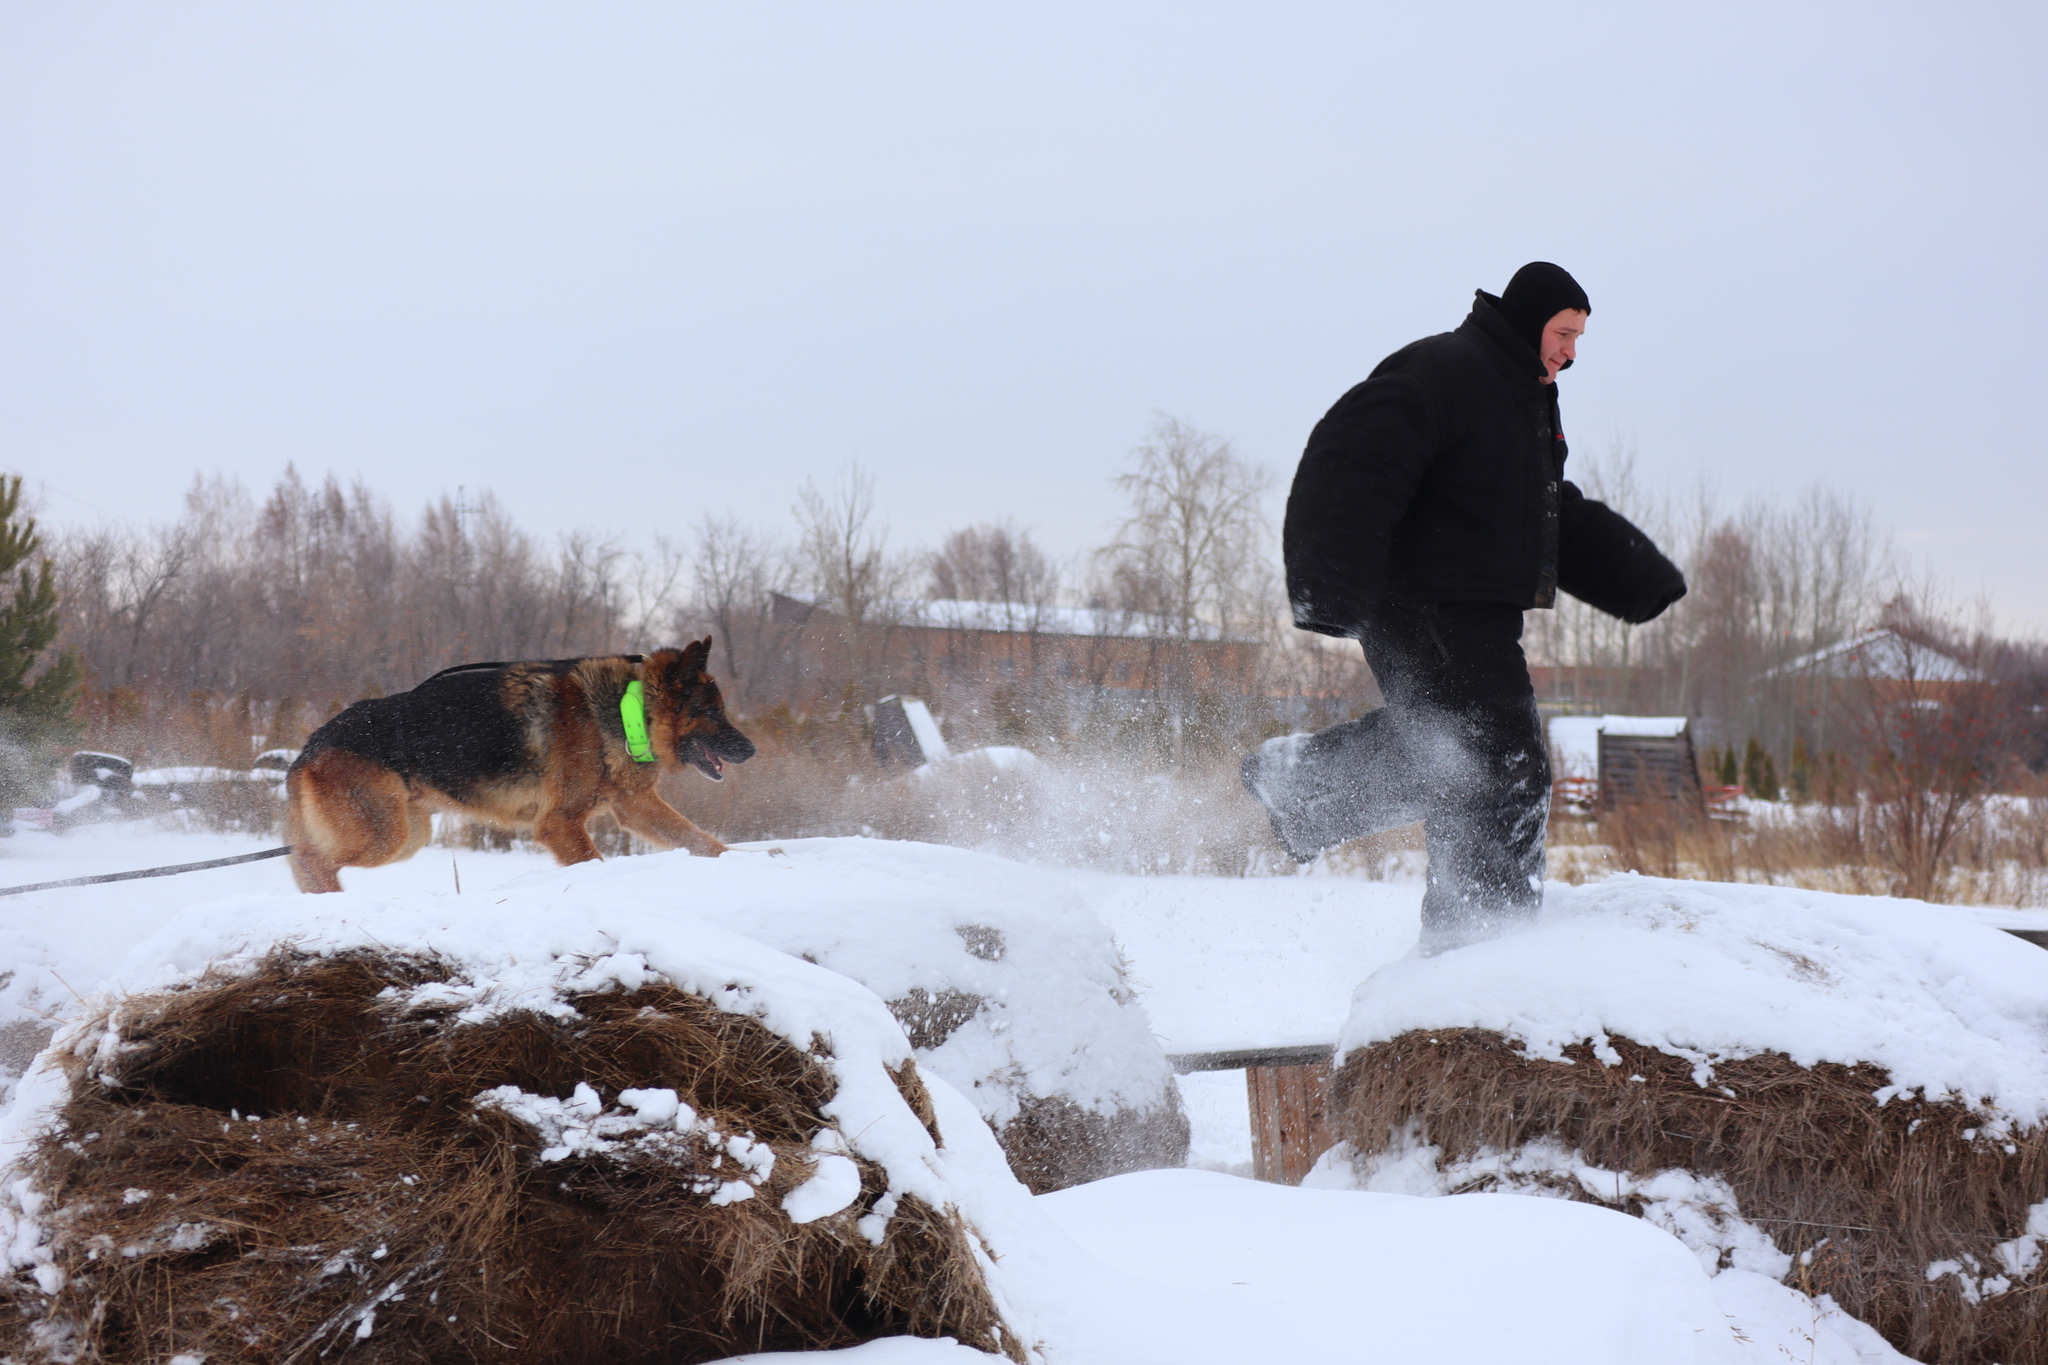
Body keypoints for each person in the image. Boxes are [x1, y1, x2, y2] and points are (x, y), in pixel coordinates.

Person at [1244, 262, 1686, 954]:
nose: (1571, 351)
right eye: (1564, 332)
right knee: (1494, 758)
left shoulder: (1519, 402)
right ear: (1529, 320)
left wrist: (1636, 576)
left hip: (1475, 611)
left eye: (1579, 338)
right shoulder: (1449, 370)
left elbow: (1541, 517)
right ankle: (1478, 943)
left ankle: (1458, 930)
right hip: (1423, 604)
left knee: (1470, 761)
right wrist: (1329, 583)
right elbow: (1358, 455)